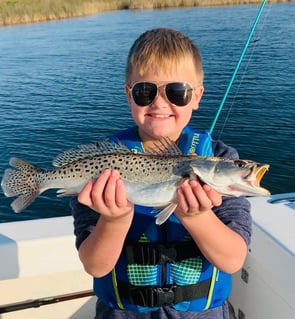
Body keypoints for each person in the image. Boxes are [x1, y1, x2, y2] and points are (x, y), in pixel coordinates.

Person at [71, 28, 251, 319]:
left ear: (196, 96)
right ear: (129, 94)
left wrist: (198, 217)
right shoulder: (101, 162)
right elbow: (95, 266)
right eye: (145, 91)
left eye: (177, 92)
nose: (159, 103)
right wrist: (114, 219)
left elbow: (232, 260)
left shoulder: (221, 159)